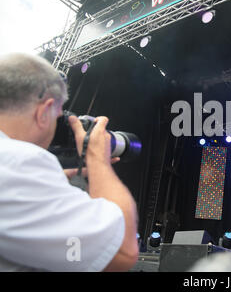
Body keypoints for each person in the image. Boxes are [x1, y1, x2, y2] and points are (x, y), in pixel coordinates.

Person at [0, 53, 138, 271]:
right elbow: (122, 251)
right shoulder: (18, 162)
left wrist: (50, 185)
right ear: (44, 111)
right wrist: (97, 159)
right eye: (58, 117)